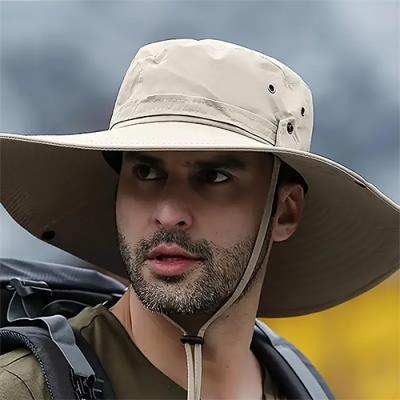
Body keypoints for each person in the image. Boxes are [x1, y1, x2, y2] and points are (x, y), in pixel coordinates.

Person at [0, 38, 398, 400]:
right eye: (146, 172)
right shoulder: (28, 390)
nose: (168, 214)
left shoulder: (303, 390)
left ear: (285, 210)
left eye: (214, 177)